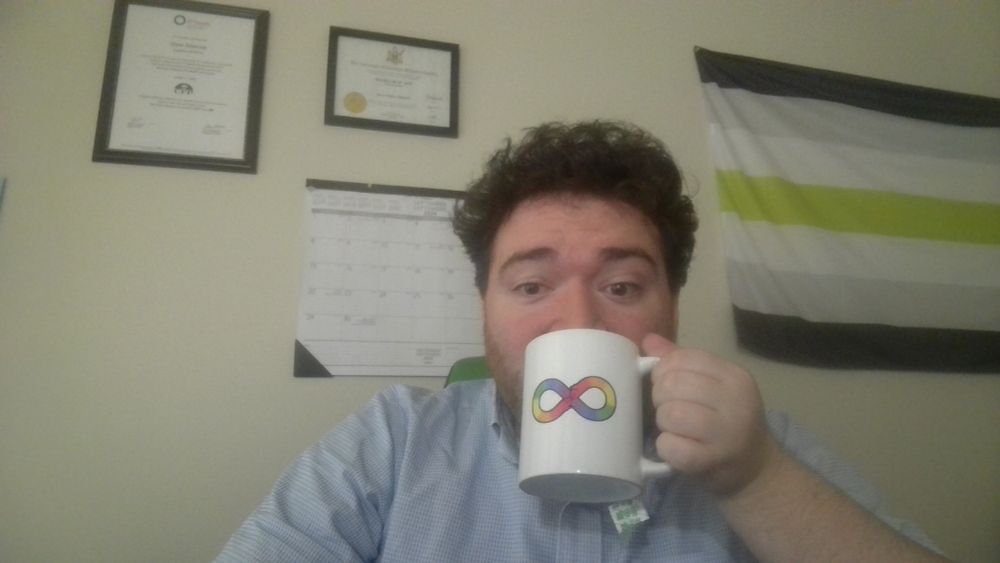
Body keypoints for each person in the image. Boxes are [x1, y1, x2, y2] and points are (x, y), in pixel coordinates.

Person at [216, 121, 947, 562]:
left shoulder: (756, 448)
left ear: (672, 305)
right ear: (483, 306)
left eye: (623, 286)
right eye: (531, 286)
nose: (578, 322)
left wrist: (755, 479)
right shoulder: (394, 439)